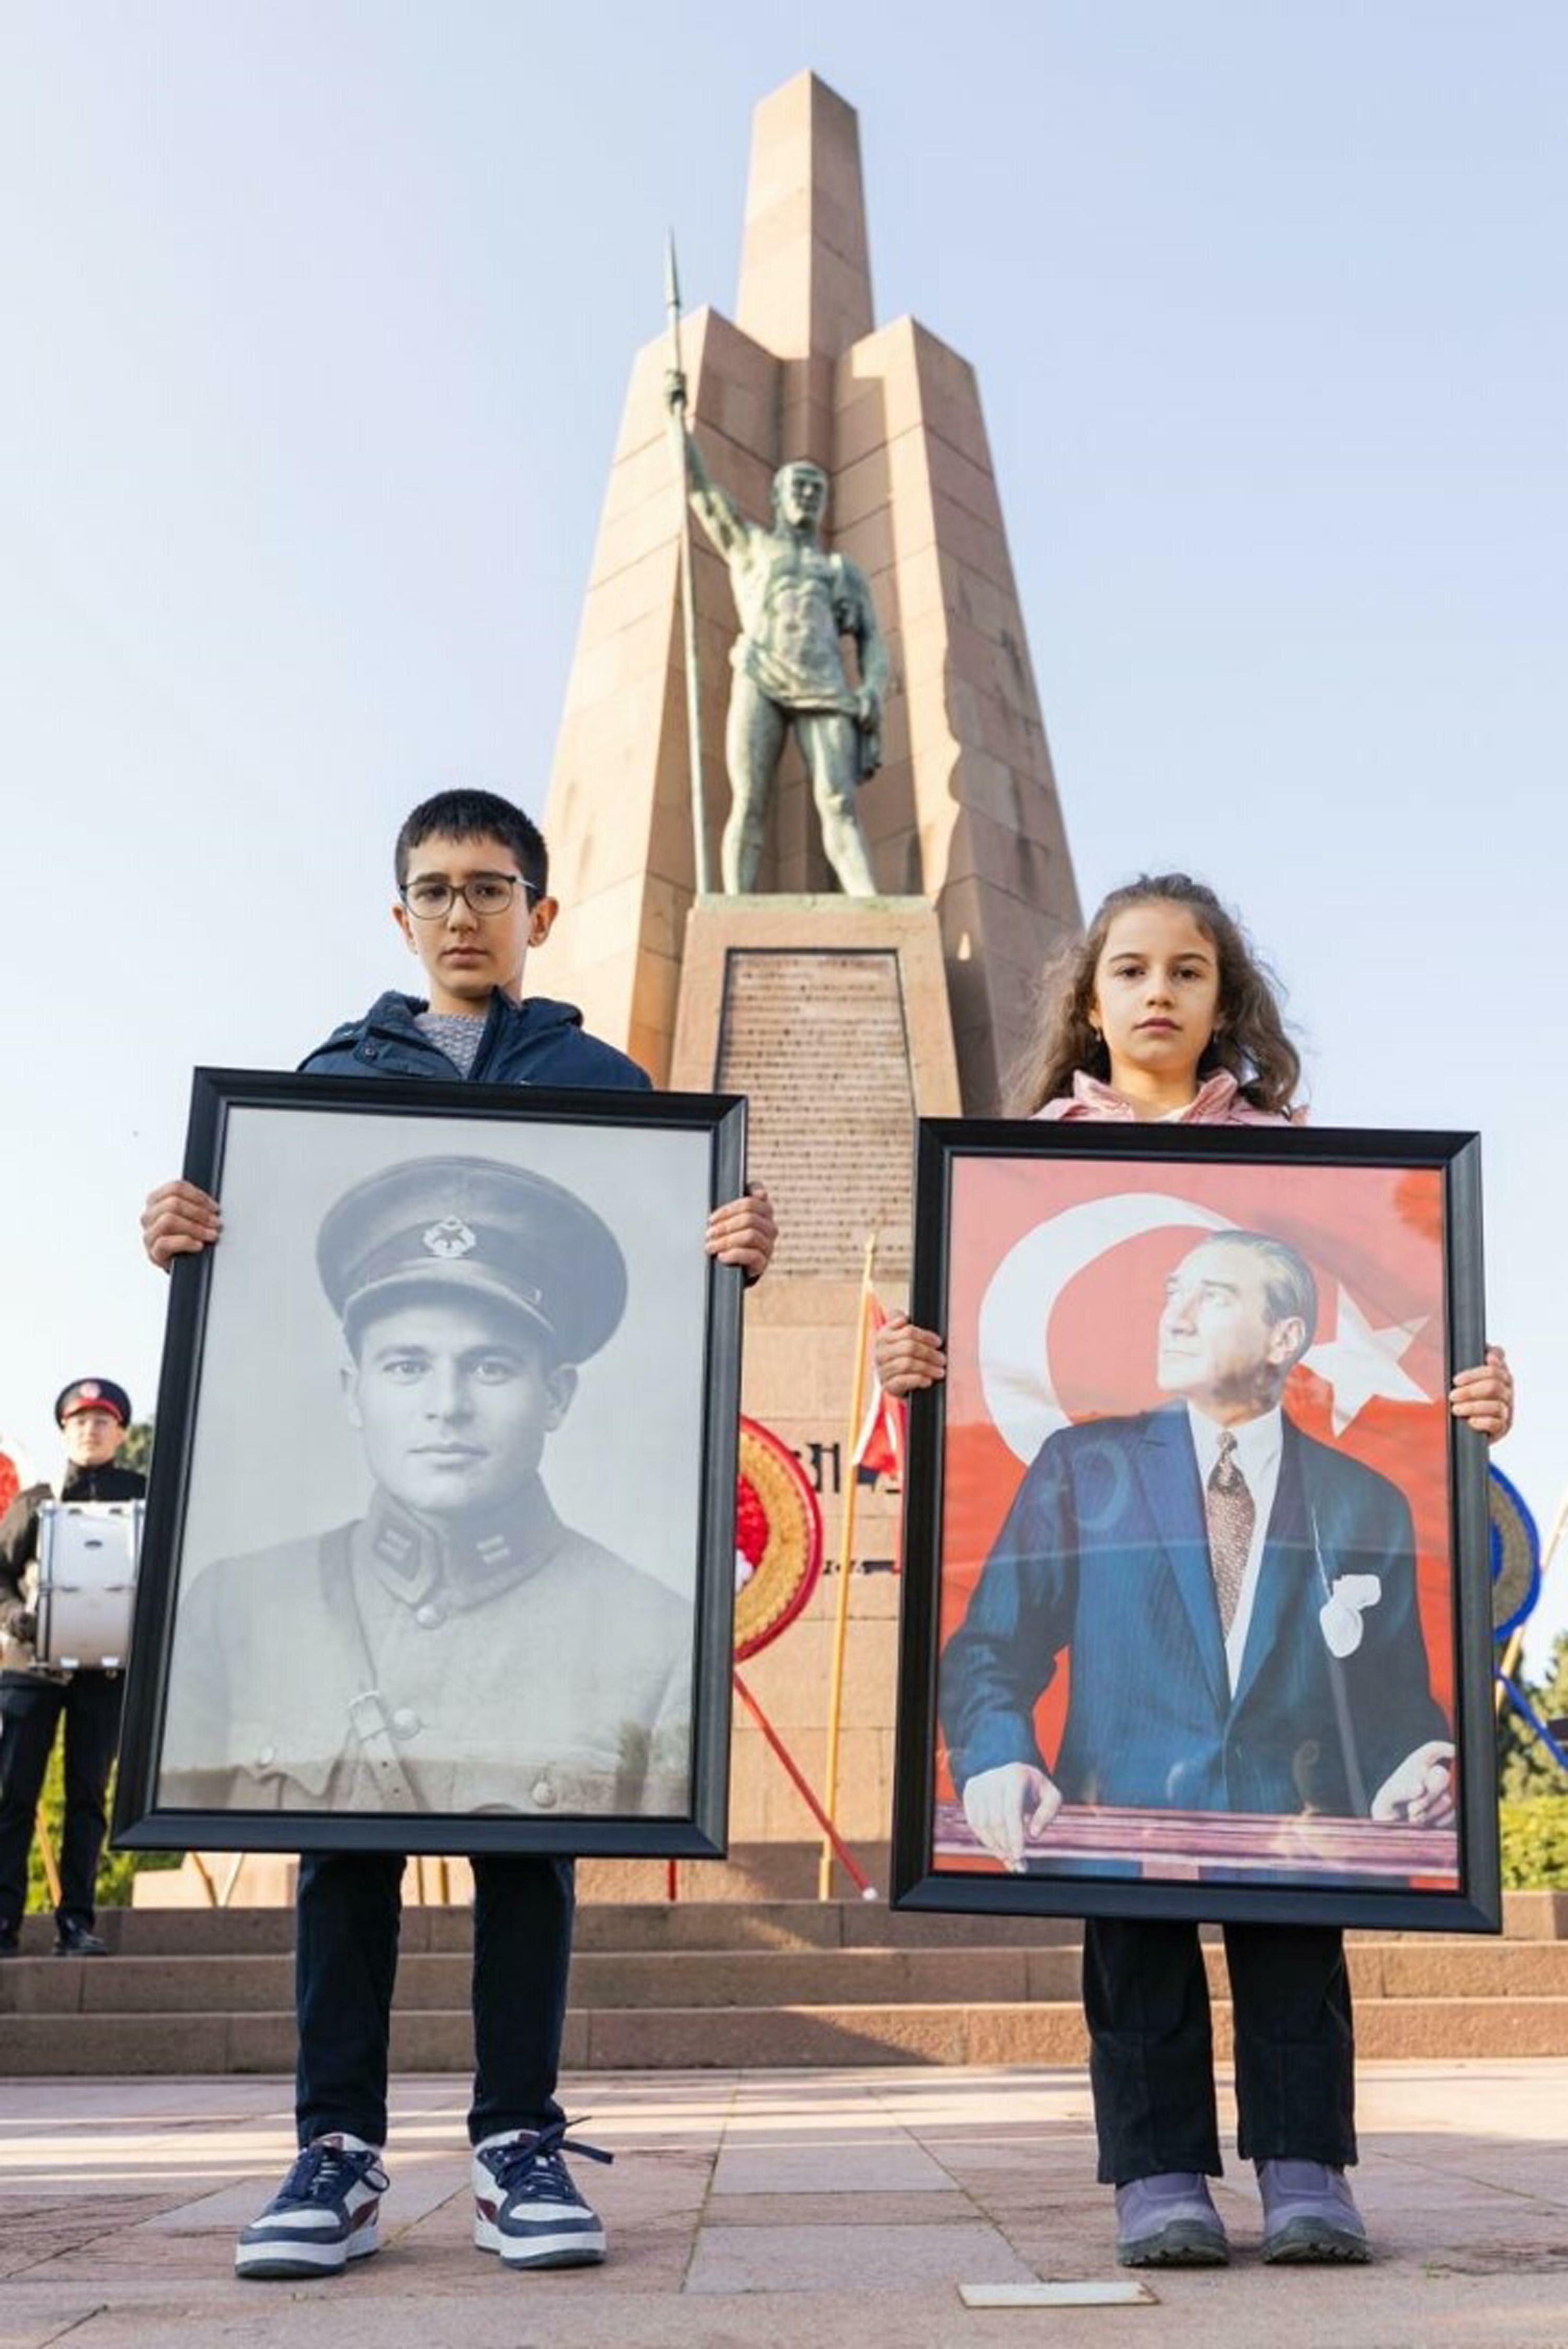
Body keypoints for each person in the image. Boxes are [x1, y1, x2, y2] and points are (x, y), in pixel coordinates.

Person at [142, 787, 776, 2283]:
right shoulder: (326, 1078)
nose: (462, 912)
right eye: (434, 888)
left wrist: (740, 1248)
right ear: (401, 913)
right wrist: (185, 1231)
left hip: (543, 1596)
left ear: (540, 914)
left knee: (528, 1845)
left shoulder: (609, 1081)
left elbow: (687, 1260)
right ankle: (336, 2141)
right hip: (343, 1595)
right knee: (338, 1847)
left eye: (493, 886)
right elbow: (242, 1260)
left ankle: (517, 2134)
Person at [877, 873, 1513, 2271]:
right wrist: (989, 1752)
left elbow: (1396, 1690)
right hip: (1120, 1782)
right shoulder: (1015, 1178)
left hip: (1298, 1802)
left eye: (1187, 970)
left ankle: (1306, 2163)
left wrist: (1469, 1401)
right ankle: (1158, 2169)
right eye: (1127, 971)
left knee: (1296, 1948)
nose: (1156, 992)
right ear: (1091, 1000)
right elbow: (989, 1654)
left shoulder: (1307, 1176)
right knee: (1138, 1958)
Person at [160, 1156, 691, 1818]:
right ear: (355, 1394)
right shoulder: (235, 1609)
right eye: (407, 1365)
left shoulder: (658, 1638)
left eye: (491, 1367)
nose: (447, 1405)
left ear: (555, 1396)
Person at [942, 1227, 1454, 1842]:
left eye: (1211, 1298)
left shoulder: (1367, 1503)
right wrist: (999, 1758)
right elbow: (991, 1651)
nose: (1174, 1320)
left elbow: (1389, 1701)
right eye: (1171, 1294)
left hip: (1307, 1856)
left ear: (1284, 1338)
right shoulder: (1083, 1470)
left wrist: (1411, 1773)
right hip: (1119, 1846)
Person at [667, 370, 889, 896]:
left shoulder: (840, 570)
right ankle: (735, 909)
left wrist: (873, 688)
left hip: (825, 684)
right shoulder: (751, 548)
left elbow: (875, 641)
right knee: (749, 798)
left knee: (838, 802)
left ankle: (870, 907)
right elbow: (701, 492)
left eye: (817, 489)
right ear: (776, 494)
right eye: (799, 486)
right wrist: (676, 417)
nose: (808, 495)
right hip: (761, 671)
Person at [0, 1379, 145, 1958]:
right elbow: (1, 1574)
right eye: (80, 1420)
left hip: (104, 1672)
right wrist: (14, 1615)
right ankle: (2, 1921)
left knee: (88, 1798)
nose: (91, 1429)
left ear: (121, 1433)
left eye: (102, 1420)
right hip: (31, 1669)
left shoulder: (143, 1497)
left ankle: (75, 1923)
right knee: (13, 1794)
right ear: (64, 1430)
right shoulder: (37, 1499)